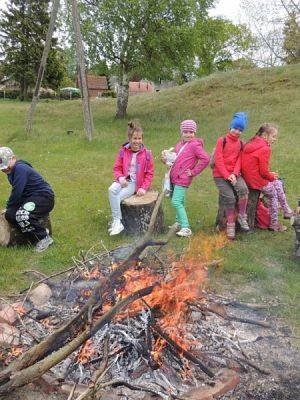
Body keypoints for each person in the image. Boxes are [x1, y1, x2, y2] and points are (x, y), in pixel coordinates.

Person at [0, 147, 55, 252]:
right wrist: (10, 209)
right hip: (29, 198)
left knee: (22, 214)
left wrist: (10, 205)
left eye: (6, 166)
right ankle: (29, 234)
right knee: (10, 215)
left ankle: (44, 237)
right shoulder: (11, 171)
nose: (4, 169)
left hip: (43, 198)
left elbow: (17, 191)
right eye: (2, 168)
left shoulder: (20, 168)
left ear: (13, 158)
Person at [162, 119, 210, 237]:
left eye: (191, 132)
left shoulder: (195, 145)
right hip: (174, 177)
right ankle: (178, 223)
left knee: (176, 201)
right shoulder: (179, 144)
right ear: (181, 132)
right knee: (179, 200)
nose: (188, 134)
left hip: (183, 179)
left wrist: (193, 171)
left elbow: (205, 159)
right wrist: (165, 159)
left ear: (194, 133)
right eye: (185, 132)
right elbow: (174, 159)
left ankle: (186, 227)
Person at [241, 123, 293, 232]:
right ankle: (274, 223)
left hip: (249, 178)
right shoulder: (265, 148)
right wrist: (271, 175)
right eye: (273, 136)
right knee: (273, 194)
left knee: (277, 183)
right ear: (265, 135)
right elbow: (264, 172)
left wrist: (270, 175)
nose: (275, 139)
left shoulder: (252, 142)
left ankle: (286, 210)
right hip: (257, 181)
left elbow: (257, 167)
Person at [108, 121, 154, 236]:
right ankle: (117, 222)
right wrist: (120, 178)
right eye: (135, 138)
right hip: (123, 180)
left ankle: (116, 221)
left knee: (117, 197)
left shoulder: (147, 154)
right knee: (111, 190)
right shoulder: (123, 151)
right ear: (129, 138)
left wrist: (143, 188)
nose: (137, 141)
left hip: (134, 184)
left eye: (139, 138)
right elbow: (117, 168)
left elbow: (150, 173)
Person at [212, 112, 250, 240]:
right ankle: (230, 224)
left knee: (243, 189)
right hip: (220, 175)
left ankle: (242, 216)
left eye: (240, 130)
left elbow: (239, 160)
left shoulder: (240, 144)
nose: (237, 132)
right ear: (230, 128)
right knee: (229, 198)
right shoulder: (221, 141)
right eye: (235, 128)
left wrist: (234, 173)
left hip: (234, 174)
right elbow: (218, 159)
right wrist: (227, 175)